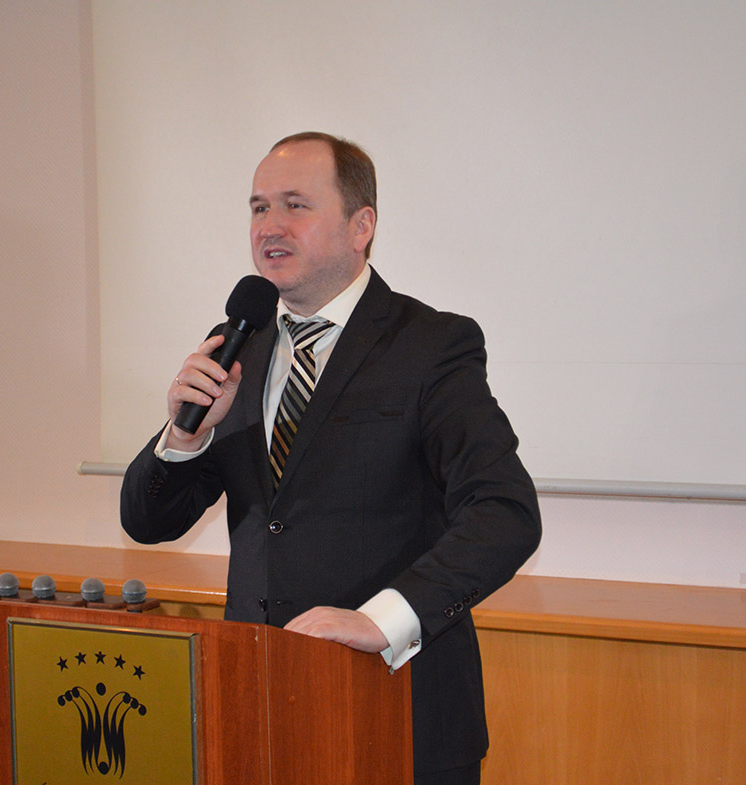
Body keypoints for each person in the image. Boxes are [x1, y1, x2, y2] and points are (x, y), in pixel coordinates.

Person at [121, 131, 541, 784]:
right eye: (259, 207)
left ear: (360, 226)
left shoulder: (430, 345)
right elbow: (149, 522)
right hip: (261, 709)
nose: (270, 226)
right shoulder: (237, 348)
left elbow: (504, 512)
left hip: (397, 711)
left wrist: (382, 619)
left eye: (295, 204)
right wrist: (184, 434)